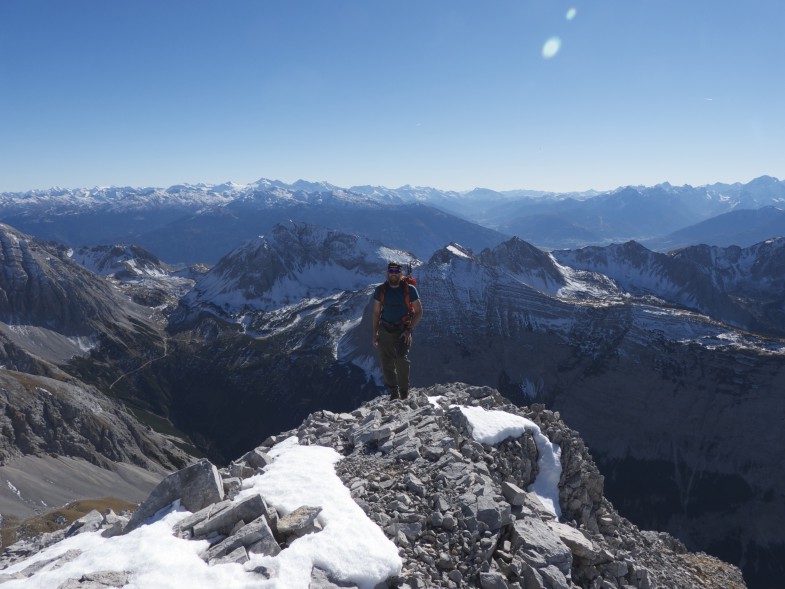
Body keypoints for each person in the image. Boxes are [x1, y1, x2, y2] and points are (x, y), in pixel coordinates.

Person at [372, 262, 423, 400]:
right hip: (385, 329)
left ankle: (404, 393)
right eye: (391, 271)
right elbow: (376, 312)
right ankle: (393, 394)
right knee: (386, 362)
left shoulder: (410, 289)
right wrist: (375, 333)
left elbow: (419, 311)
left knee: (401, 359)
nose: (393, 274)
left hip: (403, 330)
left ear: (401, 273)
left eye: (396, 272)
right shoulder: (380, 290)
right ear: (387, 273)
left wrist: (409, 330)